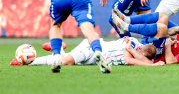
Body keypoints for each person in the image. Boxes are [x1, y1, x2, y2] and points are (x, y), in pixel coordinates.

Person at [11, 37, 165, 67]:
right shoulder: (131, 43)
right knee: (65, 62)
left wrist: (152, 64)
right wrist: (153, 65)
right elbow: (132, 59)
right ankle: (27, 62)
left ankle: (58, 50)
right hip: (91, 48)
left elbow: (143, 60)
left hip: (95, 60)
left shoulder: (136, 51)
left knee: (65, 61)